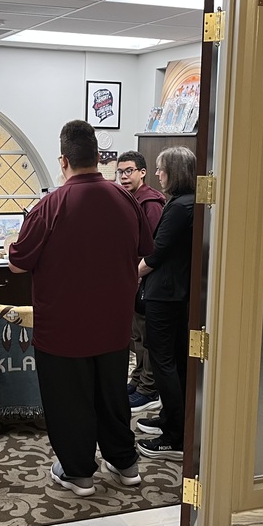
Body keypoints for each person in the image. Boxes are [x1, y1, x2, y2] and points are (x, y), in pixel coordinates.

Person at [8, 120, 154, 496]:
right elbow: (145, 249)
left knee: (69, 402)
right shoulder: (126, 200)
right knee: (112, 396)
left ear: (63, 160)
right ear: (99, 158)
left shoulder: (51, 205)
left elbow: (18, 262)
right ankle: (125, 464)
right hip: (113, 325)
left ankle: (78, 472)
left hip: (64, 328)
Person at [136, 146, 196, 461]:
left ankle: (175, 436)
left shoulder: (179, 207)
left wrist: (132, 274)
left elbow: (156, 254)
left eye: (161, 168)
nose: (158, 174)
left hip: (165, 295)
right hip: (176, 294)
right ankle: (172, 420)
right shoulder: (185, 203)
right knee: (173, 359)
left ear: (174, 170)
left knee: (163, 361)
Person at [116, 151, 166, 413]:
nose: (124, 176)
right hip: (131, 278)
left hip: (144, 278)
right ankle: (137, 381)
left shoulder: (150, 203)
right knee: (136, 336)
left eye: (129, 171)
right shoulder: (130, 199)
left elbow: (152, 247)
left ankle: (148, 387)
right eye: (120, 172)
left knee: (146, 336)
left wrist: (136, 274)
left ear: (142, 172)